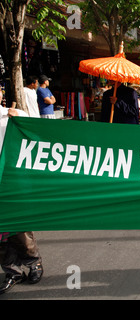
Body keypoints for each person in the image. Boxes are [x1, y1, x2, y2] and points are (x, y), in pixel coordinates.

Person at [0, 90, 43, 295]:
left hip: (13, 180)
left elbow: (39, 139)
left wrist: (20, 123)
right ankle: (12, 271)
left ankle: (33, 263)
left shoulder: (14, 115)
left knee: (19, 227)